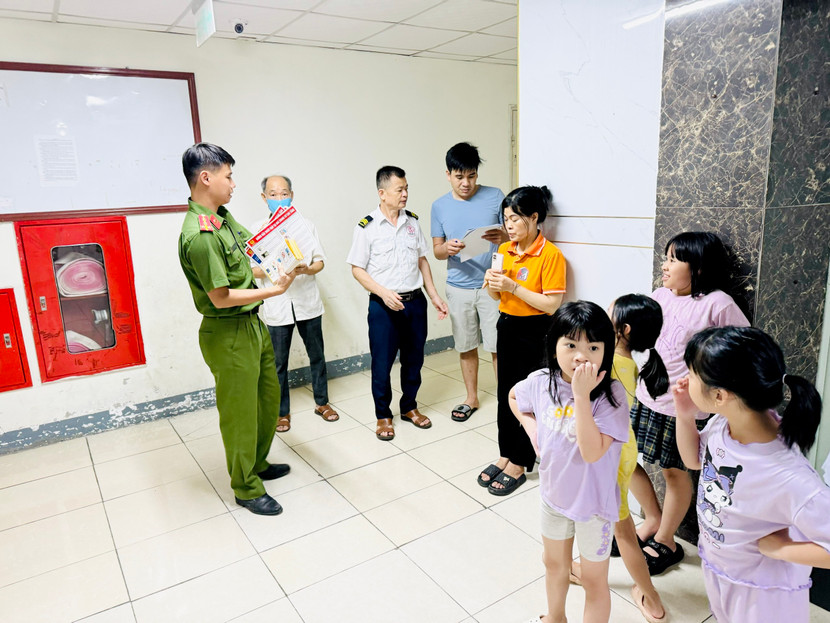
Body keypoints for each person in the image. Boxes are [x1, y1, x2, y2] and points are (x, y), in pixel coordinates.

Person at [674, 326, 830, 623]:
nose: (685, 379)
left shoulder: (789, 476)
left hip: (764, 595)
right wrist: (684, 415)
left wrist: (783, 549)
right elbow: (694, 461)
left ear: (720, 395)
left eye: (692, 373)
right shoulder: (724, 424)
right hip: (724, 568)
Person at [178, 143, 295, 516]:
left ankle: (257, 463)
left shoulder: (221, 218)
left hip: (252, 325)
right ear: (206, 178)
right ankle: (245, 487)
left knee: (265, 401)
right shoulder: (201, 235)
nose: (233, 183)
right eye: (228, 176)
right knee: (240, 413)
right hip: (228, 332)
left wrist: (283, 260)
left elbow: (251, 255)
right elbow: (221, 296)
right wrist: (274, 289)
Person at [628, 231, 750, 574]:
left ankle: (666, 539)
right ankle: (652, 518)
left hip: (685, 409)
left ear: (697, 267)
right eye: (665, 257)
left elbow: (742, 348)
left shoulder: (718, 303)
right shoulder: (660, 296)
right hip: (647, 397)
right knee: (623, 460)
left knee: (675, 472)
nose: (663, 265)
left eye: (672, 259)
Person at [510, 301, 630, 623]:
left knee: (593, 580)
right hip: (553, 498)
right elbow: (513, 397)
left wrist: (580, 395)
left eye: (593, 346)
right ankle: (556, 616)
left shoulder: (612, 397)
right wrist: (532, 429)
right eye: (571, 344)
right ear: (554, 347)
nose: (582, 355)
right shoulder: (539, 381)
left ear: (607, 349)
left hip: (594, 507)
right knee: (554, 564)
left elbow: (592, 452)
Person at [569, 294, 668, 623]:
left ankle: (649, 595)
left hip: (606, 456)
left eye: (610, 314)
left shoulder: (606, 365)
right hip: (623, 450)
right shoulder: (632, 364)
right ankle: (586, 566)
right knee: (603, 520)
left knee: (622, 531)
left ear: (622, 329)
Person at [346, 166, 448, 441]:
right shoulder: (367, 227)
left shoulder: (412, 222)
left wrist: (434, 296)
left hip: (415, 303)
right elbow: (357, 269)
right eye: (399, 190)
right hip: (384, 307)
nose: (405, 194)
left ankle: (409, 407)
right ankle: (383, 415)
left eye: (406, 189)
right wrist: (383, 292)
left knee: (414, 360)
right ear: (382, 193)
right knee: (382, 363)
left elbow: (422, 260)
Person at [478, 186, 566, 496]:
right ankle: (506, 453)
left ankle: (521, 460)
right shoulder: (504, 250)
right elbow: (496, 295)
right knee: (505, 392)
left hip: (536, 331)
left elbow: (552, 305)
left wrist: (512, 287)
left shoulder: (551, 255)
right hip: (507, 326)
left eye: (515, 219)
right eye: (506, 219)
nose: (509, 226)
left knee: (527, 396)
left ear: (534, 217)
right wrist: (492, 284)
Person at [253, 174, 338, 433]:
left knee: (317, 355)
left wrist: (303, 269)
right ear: (264, 198)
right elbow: (251, 271)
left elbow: (320, 262)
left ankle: (322, 402)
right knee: (278, 362)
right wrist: (274, 270)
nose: (280, 199)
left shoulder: (306, 226)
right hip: (278, 305)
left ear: (292, 195)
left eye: (284, 193)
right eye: (274, 194)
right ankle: (281, 412)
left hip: (306, 302)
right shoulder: (257, 231)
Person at [431, 142, 506, 422]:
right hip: (458, 287)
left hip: (492, 285)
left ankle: (505, 399)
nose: (466, 183)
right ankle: (471, 398)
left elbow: (513, 234)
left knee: (498, 346)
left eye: (472, 176)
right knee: (466, 345)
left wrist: (505, 238)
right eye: (460, 176)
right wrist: (447, 249)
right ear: (448, 174)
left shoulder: (495, 196)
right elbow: (436, 251)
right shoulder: (439, 206)